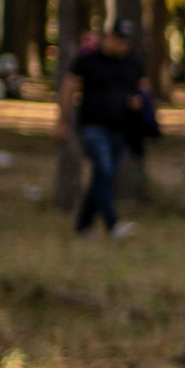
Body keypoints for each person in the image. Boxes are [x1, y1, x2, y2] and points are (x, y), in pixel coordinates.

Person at [64, 19, 150, 238]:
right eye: (119, 41)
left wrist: (139, 102)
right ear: (108, 37)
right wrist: (62, 121)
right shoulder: (89, 60)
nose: (123, 47)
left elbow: (143, 89)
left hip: (120, 128)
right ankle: (113, 225)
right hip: (93, 127)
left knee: (102, 177)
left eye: (127, 43)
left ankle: (83, 226)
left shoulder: (132, 63)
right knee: (104, 170)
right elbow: (68, 88)